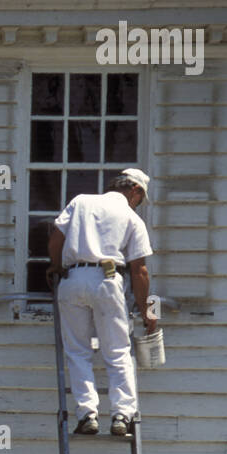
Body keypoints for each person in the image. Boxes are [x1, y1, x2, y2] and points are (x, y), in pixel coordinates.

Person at [46, 168, 158, 438]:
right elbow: (140, 271)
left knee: (77, 351)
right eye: (139, 199)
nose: (138, 204)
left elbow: (56, 239)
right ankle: (122, 414)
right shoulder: (131, 218)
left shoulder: (81, 201)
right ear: (135, 190)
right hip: (108, 280)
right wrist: (148, 313)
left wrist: (55, 267)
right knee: (118, 351)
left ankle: (87, 414)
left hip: (72, 278)